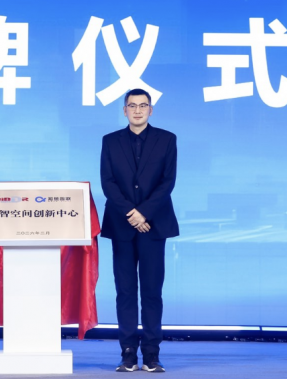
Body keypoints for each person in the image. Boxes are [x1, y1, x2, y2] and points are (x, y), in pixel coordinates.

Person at [100, 88, 179, 373]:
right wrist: (132, 214)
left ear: (150, 110)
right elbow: (108, 182)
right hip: (122, 225)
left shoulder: (167, 139)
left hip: (153, 225)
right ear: (124, 110)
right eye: (132, 106)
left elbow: (167, 181)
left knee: (152, 292)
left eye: (142, 105)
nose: (137, 110)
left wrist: (144, 212)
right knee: (125, 292)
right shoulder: (110, 141)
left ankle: (152, 355)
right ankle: (128, 354)